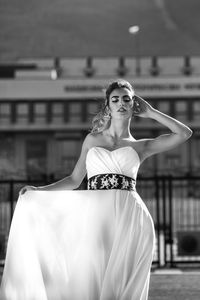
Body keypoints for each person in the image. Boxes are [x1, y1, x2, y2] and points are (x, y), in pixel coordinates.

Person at [0, 79, 192, 300]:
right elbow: (74, 179)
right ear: (107, 105)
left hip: (130, 216)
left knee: (121, 282)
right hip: (95, 217)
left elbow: (184, 134)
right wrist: (39, 190)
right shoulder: (92, 140)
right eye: (115, 99)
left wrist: (152, 112)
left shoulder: (141, 146)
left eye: (126, 99)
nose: (121, 103)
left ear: (134, 105)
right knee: (91, 277)